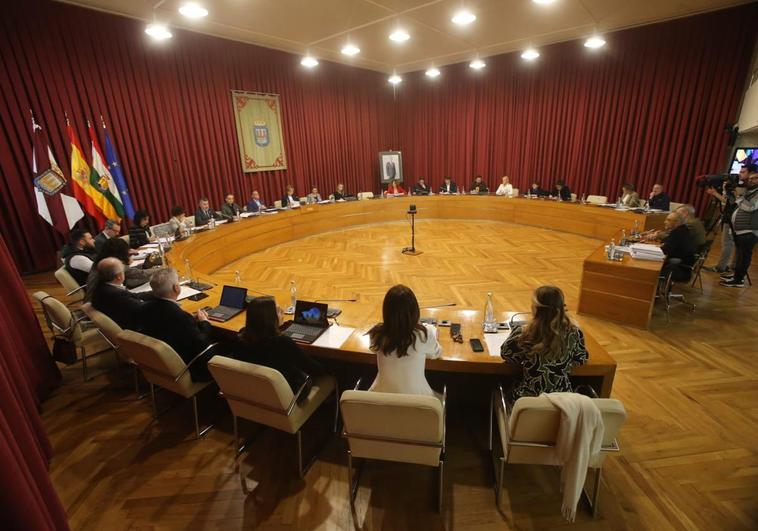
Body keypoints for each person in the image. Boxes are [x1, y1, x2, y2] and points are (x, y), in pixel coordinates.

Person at [500, 285, 588, 402]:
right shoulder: (575, 333)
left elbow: (506, 355)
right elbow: (581, 359)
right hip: (563, 403)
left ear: (536, 309)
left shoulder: (524, 333)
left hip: (528, 402)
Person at [235, 297, 325, 393]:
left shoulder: (241, 338)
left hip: (254, 392)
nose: (283, 313)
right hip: (289, 396)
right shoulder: (282, 342)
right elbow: (314, 369)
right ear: (270, 318)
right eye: (278, 311)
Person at [139, 268, 215, 382]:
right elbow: (201, 343)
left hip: (160, 366)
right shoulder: (181, 317)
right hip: (189, 368)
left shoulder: (144, 308)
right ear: (176, 288)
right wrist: (205, 322)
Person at [368, 285, 441, 397]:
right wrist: (432, 334)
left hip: (381, 403)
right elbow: (436, 354)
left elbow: (374, 348)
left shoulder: (376, 335)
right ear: (415, 311)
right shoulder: (424, 335)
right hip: (419, 405)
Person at [704, 164, 753, 273]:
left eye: (743, 172)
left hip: (734, 219)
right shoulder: (739, 186)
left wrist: (734, 192)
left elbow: (740, 203)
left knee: (728, 242)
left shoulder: (747, 189)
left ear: (750, 174)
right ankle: (732, 266)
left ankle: (721, 267)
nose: (740, 174)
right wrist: (715, 193)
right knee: (733, 243)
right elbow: (728, 201)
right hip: (731, 216)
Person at [719, 170, 758, 287]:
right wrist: (729, 191)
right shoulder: (751, 192)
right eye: (750, 178)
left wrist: (738, 196)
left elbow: (750, 207)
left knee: (744, 255)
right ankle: (736, 275)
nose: (751, 180)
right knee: (740, 255)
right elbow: (735, 203)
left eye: (755, 178)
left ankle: (739, 279)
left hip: (750, 230)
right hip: (742, 230)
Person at [89, 257, 148, 331]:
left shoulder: (100, 287)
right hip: (134, 330)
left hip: (121, 320)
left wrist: (155, 293)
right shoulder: (118, 295)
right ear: (119, 276)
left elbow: (134, 296)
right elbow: (144, 310)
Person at [86, 237, 160, 295]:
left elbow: (129, 271)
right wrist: (161, 269)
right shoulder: (111, 263)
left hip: (97, 296)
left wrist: (144, 266)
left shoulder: (103, 259)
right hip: (102, 299)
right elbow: (139, 274)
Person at [659, 211, 697, 282]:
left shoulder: (677, 232)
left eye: (668, 220)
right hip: (685, 265)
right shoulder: (683, 229)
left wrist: (661, 246)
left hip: (680, 268)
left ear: (677, 223)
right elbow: (669, 243)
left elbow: (665, 250)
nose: (665, 222)